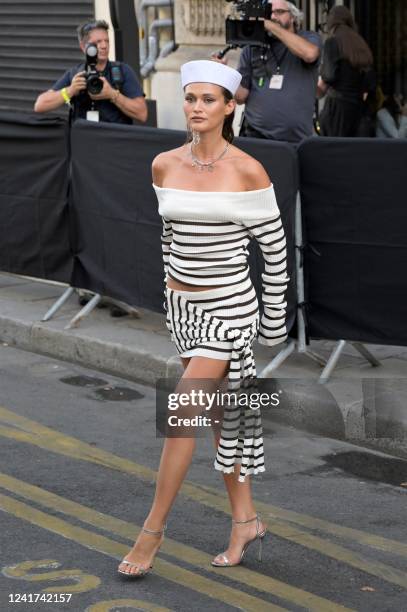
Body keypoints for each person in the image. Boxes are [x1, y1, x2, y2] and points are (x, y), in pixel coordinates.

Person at [117, 60, 289, 577]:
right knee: (220, 420)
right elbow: (170, 238)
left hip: (228, 310)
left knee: (179, 418)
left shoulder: (248, 170)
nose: (196, 108)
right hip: (183, 311)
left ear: (230, 107)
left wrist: (272, 326)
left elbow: (275, 253)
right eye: (190, 98)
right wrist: (172, 295)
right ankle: (245, 520)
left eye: (208, 100)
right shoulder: (164, 164)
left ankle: (150, 535)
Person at [233, 0, 322, 143]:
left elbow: (310, 54)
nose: (273, 17)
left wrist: (268, 24)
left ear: (293, 16)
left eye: (279, 12)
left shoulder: (309, 38)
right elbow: (240, 97)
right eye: (269, 13)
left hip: (296, 140)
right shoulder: (253, 47)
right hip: (255, 137)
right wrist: (223, 76)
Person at [34, 19, 147, 124]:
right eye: (97, 42)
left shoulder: (122, 71)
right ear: (83, 47)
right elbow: (40, 105)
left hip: (115, 141)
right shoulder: (76, 74)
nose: (104, 46)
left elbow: (142, 114)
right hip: (84, 140)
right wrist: (70, 91)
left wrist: (113, 95)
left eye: (106, 41)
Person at [317, 6, 375, 137]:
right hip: (357, 109)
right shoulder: (360, 44)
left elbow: (328, 76)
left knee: (334, 153)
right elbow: (369, 82)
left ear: (331, 22)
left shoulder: (333, 42)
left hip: (337, 110)